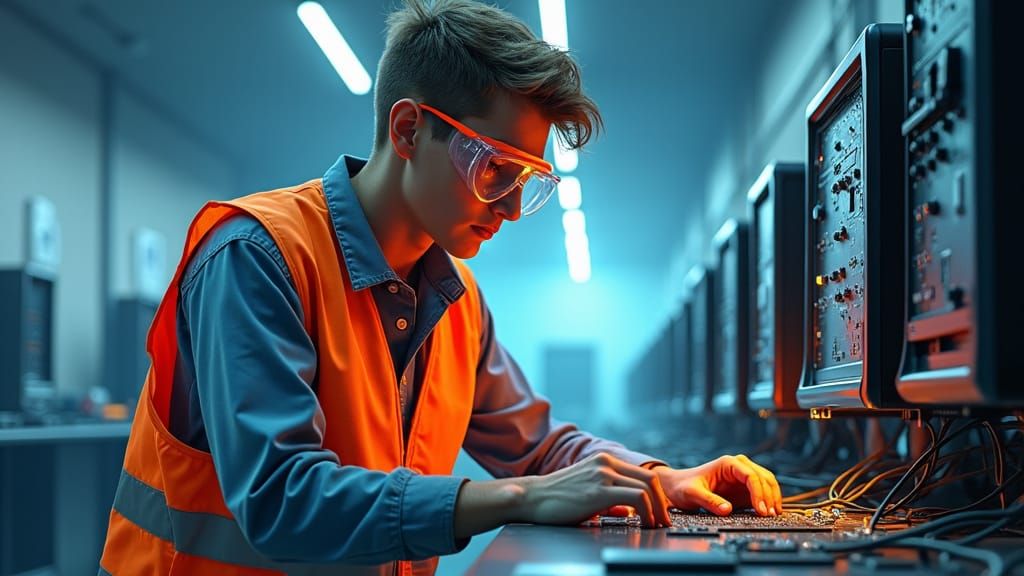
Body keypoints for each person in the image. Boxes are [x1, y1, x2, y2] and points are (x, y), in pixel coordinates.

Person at [98, 1, 781, 574]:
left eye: (528, 183)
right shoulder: (259, 257)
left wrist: (661, 477)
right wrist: (515, 498)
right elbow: (281, 497)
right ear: (407, 130)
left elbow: (539, 446)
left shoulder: (456, 299)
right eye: (496, 171)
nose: (512, 208)